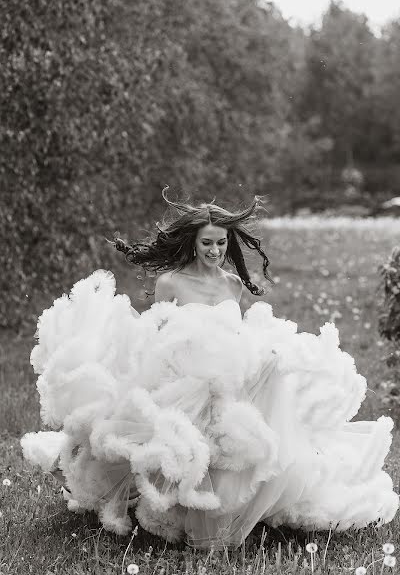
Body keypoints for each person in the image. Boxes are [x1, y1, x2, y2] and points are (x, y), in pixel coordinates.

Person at [21, 188, 399, 549]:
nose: (215, 250)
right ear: (193, 243)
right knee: (179, 430)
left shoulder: (233, 285)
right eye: (207, 243)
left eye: (220, 243)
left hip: (230, 379)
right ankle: (193, 505)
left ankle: (245, 501)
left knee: (272, 375)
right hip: (182, 378)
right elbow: (160, 336)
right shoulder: (171, 282)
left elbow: (238, 335)